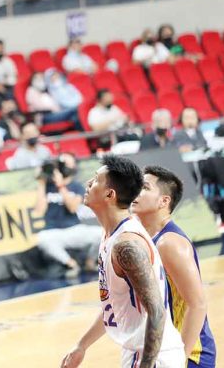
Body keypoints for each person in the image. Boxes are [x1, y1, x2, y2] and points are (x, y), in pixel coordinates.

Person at [61, 155, 184, 368]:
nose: (89, 184)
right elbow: (116, 304)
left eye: (96, 180)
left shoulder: (127, 245)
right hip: (136, 351)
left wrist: (147, 365)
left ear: (110, 194)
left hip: (154, 356)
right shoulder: (110, 235)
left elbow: (157, 312)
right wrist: (82, 345)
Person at [131, 166, 216, 367]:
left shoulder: (169, 243)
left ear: (164, 201)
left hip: (189, 354)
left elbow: (198, 305)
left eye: (144, 187)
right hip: (159, 350)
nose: (136, 191)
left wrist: (179, 358)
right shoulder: (142, 238)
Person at [34, 153, 101, 278]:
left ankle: (90, 262)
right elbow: (39, 210)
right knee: (41, 239)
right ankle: (71, 264)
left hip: (74, 229)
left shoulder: (76, 186)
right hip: (53, 232)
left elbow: (72, 207)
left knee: (101, 233)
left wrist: (60, 185)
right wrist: (41, 182)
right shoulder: (47, 187)